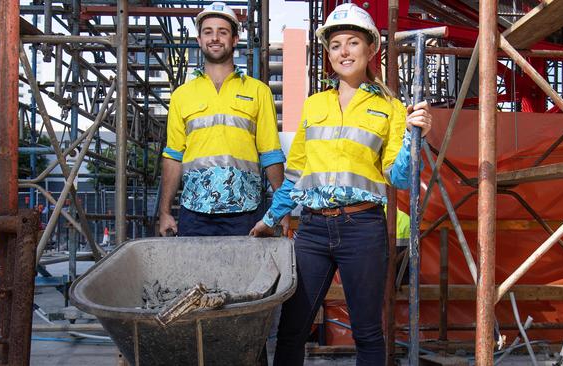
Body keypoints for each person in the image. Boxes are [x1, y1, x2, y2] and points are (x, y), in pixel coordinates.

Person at [250, 3, 432, 365]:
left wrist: (416, 137)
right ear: (328, 54)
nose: (344, 51)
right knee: (292, 329)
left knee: (367, 331)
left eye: (352, 43)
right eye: (335, 45)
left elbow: (397, 178)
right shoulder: (315, 105)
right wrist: (270, 220)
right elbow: (296, 176)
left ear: (369, 49)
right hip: (313, 230)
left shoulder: (392, 109)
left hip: (363, 228)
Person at [158, 2, 287, 237]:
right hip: (195, 212)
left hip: (245, 212)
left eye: (223, 32)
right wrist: (165, 212)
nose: (215, 38)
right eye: (208, 32)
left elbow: (271, 153)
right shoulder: (182, 96)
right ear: (199, 40)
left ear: (235, 39)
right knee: (195, 275)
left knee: (246, 275)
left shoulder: (258, 91)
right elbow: (173, 157)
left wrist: (282, 208)